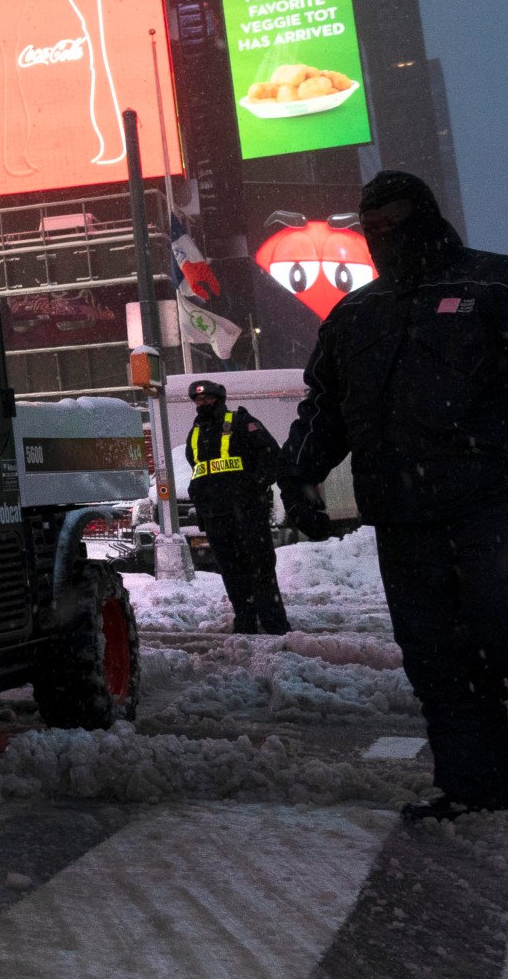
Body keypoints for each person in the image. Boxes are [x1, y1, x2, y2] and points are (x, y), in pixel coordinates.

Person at [287, 171, 508, 821]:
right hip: (404, 521)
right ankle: (470, 789)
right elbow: (325, 408)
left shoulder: (492, 286)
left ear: (426, 216)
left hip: (488, 509)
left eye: (394, 222)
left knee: (500, 644)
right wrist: (299, 479)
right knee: (436, 660)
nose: (382, 237)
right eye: (371, 226)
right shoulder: (357, 313)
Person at [181, 377, 323, 635]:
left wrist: (255, 484)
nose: (202, 403)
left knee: (260, 568)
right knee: (231, 571)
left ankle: (275, 624)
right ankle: (245, 621)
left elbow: (271, 456)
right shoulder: (196, 433)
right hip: (216, 516)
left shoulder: (242, 422)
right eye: (198, 399)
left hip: (248, 513)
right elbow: (198, 470)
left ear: (219, 398)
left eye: (207, 398)